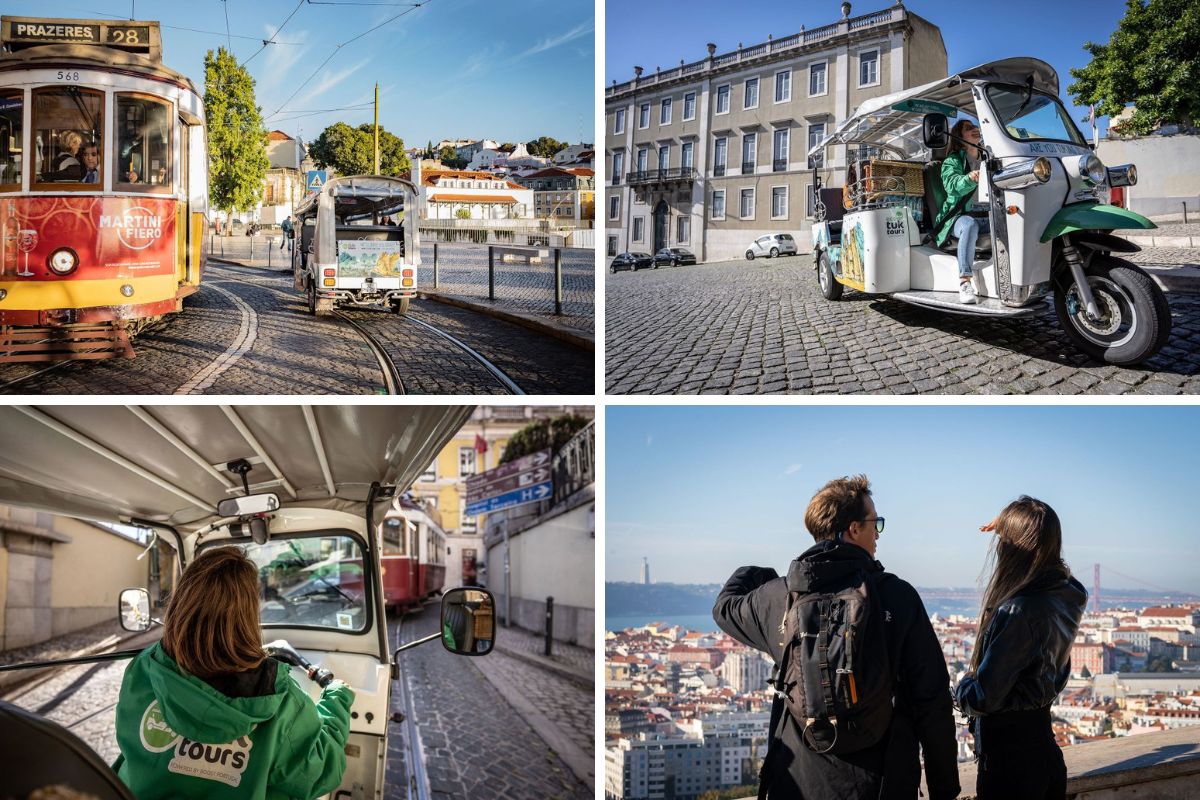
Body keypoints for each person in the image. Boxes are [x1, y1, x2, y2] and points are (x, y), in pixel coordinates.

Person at [713, 475, 959, 800]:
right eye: (876, 523)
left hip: (798, 784)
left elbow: (724, 606)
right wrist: (944, 788)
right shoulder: (897, 597)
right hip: (884, 781)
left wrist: (764, 577)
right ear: (854, 529)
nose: (878, 533)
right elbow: (933, 702)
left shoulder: (778, 598)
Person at [113, 547, 355, 798]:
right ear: (248, 617)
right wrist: (337, 699)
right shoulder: (278, 699)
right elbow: (322, 773)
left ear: (180, 604)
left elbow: (127, 741)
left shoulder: (144, 668)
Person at [955, 497, 1086, 800]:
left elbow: (983, 697)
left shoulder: (1018, 611)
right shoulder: (1068, 595)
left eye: (1003, 540)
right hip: (1044, 752)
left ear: (1012, 547)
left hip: (1010, 767)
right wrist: (1021, 529)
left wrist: (960, 686)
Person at [934, 119, 990, 304]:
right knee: (969, 225)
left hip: (988, 214)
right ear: (959, 136)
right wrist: (969, 178)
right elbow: (952, 187)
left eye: (975, 126)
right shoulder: (952, 161)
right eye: (968, 128)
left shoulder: (989, 157)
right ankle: (965, 281)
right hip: (959, 217)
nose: (975, 129)